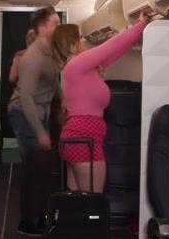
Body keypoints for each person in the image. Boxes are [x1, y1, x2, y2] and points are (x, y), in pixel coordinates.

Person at [51, 10, 158, 192]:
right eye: (80, 37)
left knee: (78, 201)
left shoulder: (81, 66)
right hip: (84, 140)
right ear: (71, 42)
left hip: (80, 138)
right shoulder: (77, 64)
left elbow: (114, 51)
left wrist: (132, 29)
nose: (84, 41)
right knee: (92, 201)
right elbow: (109, 47)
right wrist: (140, 26)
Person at [8, 6, 61, 236]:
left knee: (43, 166)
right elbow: (26, 98)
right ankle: (29, 222)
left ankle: (40, 216)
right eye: (55, 23)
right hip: (24, 112)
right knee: (36, 165)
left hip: (39, 111)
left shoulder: (50, 52)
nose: (59, 27)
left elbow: (53, 83)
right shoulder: (32, 58)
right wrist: (40, 131)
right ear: (42, 28)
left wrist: (63, 101)